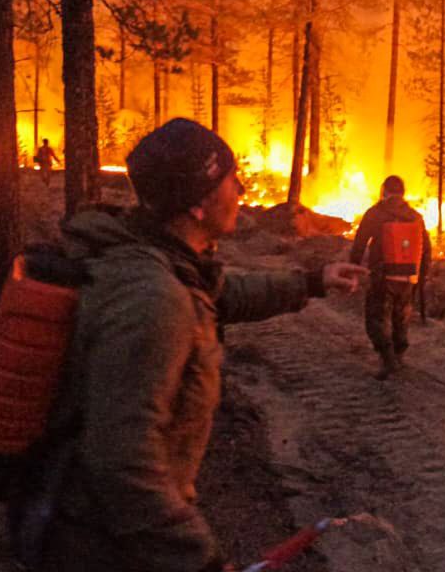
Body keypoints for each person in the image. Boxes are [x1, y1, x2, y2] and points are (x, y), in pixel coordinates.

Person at [35, 118, 368, 572]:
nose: (242, 187)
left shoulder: (159, 260)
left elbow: (220, 294)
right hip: (108, 548)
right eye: (230, 179)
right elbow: (122, 463)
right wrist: (199, 561)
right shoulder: (151, 298)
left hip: (109, 533)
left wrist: (312, 281)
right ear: (196, 204)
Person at [348, 175, 431, 380]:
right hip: (408, 277)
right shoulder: (415, 216)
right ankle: (399, 354)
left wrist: (352, 270)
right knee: (401, 317)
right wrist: (421, 278)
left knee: (376, 317)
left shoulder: (375, 214)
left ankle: (387, 358)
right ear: (403, 193)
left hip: (382, 277)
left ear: (384, 191)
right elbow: (426, 249)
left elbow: (359, 244)